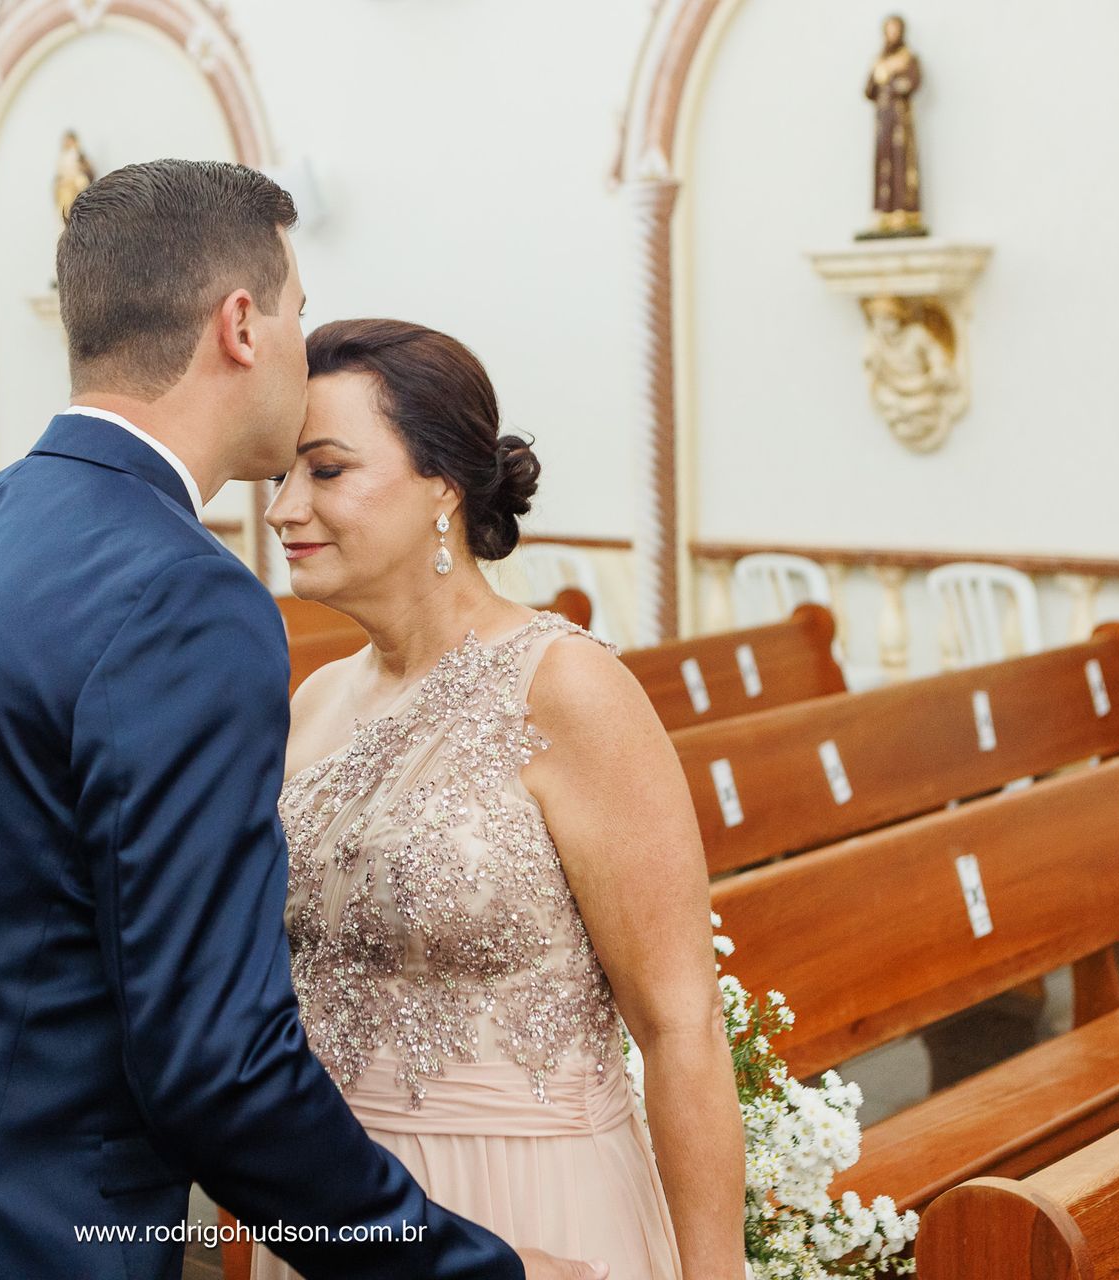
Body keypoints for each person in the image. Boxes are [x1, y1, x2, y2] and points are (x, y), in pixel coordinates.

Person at [0, 160, 603, 1280]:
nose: (300, 341)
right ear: (242, 323)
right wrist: (465, 1270)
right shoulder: (180, 596)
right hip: (1, 1243)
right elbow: (216, 1065)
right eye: (297, 310)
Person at [258, 319, 746, 1280]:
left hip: (531, 1204)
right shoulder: (311, 704)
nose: (282, 509)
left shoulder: (566, 689)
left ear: (443, 484)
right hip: (342, 1218)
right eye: (279, 475)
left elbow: (679, 1022)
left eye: (324, 471)